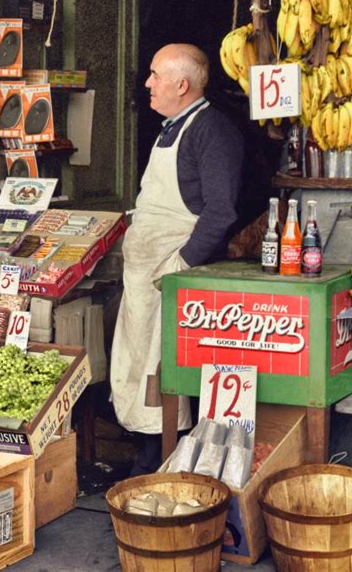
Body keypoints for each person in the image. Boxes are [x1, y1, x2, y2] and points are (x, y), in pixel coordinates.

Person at [110, 43, 244, 474]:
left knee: (164, 371)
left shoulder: (211, 131)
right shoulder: (172, 127)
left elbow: (220, 211)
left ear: (181, 85)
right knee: (140, 364)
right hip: (147, 277)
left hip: (174, 275)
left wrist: (182, 265)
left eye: (155, 75)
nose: (147, 83)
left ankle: (159, 467)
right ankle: (147, 458)